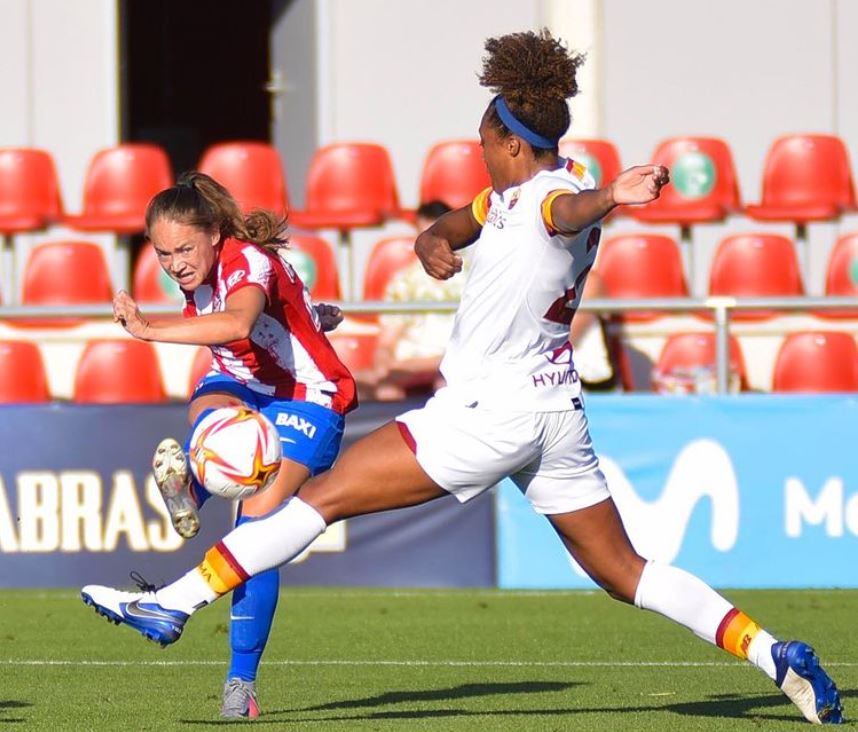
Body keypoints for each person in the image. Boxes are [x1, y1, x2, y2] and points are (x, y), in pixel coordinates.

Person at [82, 31, 842, 725]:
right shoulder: (517, 191)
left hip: (488, 411)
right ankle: (772, 655)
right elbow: (461, 222)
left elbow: (571, 211)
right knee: (623, 571)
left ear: (510, 142)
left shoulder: (553, 198)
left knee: (319, 498)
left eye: (484, 136)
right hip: (554, 415)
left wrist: (615, 195)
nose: (477, 147)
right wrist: (431, 239)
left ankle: (174, 604)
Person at [109, 171, 357, 719]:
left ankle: (240, 682)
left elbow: (241, 321)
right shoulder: (198, 274)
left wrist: (148, 331)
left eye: (184, 249)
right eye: (162, 252)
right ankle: (192, 489)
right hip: (251, 386)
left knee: (255, 536)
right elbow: (279, 315)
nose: (174, 263)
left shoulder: (248, 261)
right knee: (207, 397)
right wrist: (314, 315)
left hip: (308, 400)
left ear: (216, 233)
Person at [361, 200, 463, 401]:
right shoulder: (404, 281)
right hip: (411, 361)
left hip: (455, 359)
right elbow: (388, 340)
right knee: (386, 388)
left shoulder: (472, 276)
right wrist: (384, 362)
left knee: (448, 384)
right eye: (427, 236)